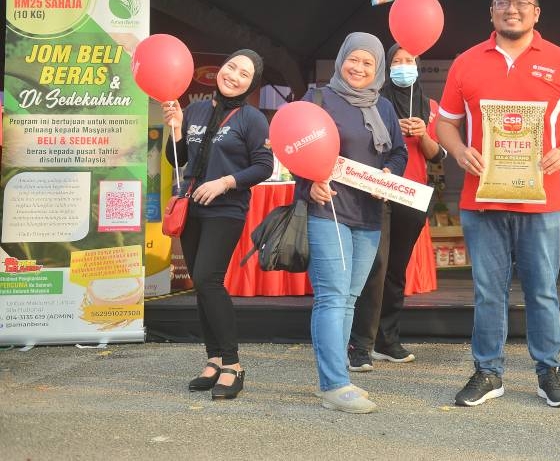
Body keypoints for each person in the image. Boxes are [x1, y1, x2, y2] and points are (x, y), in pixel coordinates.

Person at [435, 0, 560, 408]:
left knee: (542, 289)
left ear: (536, 12)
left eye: (522, 3)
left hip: (541, 199)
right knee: (489, 291)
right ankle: (488, 371)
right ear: (492, 11)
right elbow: (445, 122)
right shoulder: (467, 61)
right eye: (503, 2)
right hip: (480, 199)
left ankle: (549, 372)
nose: (512, 9)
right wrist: (460, 150)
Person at [296, 32, 407, 413]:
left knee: (350, 298)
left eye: (368, 63)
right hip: (329, 210)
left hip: (371, 214)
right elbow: (293, 148)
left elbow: (397, 152)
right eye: (353, 60)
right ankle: (333, 384)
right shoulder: (318, 100)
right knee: (331, 296)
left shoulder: (384, 107)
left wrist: (389, 177)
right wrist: (308, 182)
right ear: (341, 59)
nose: (359, 68)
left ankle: (336, 375)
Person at [162, 49, 273, 400]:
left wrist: (226, 181)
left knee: (209, 279)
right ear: (220, 70)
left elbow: (264, 166)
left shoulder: (252, 118)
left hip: (227, 209)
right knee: (201, 283)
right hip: (192, 208)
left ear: (251, 83)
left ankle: (234, 365)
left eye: (244, 73)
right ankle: (212, 359)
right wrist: (177, 129)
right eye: (231, 67)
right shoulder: (195, 109)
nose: (234, 76)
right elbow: (175, 158)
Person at [349, 43, 446, 370]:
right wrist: (394, 132)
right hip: (377, 191)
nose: (404, 66)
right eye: (397, 61)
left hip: (414, 194)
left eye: (410, 60)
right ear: (386, 67)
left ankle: (386, 340)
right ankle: (359, 344)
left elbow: (438, 155)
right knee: (373, 268)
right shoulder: (373, 101)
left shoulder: (431, 107)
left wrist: (422, 136)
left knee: (395, 271)